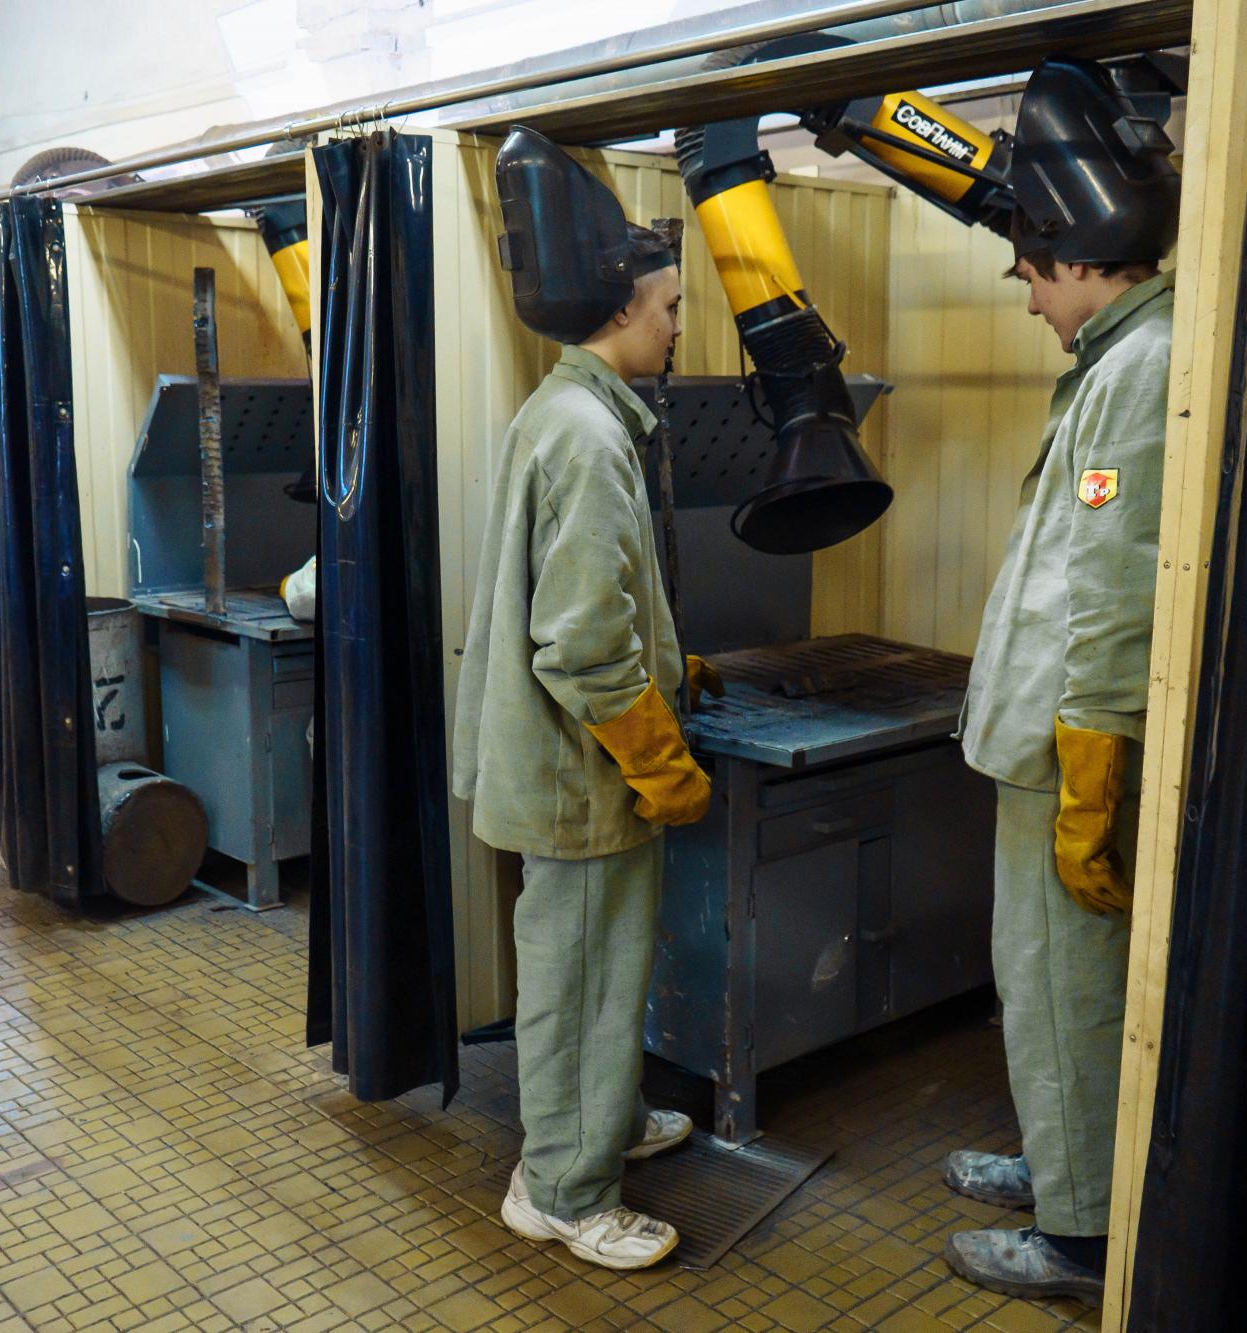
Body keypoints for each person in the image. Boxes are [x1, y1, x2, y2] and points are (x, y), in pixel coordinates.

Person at [453, 127, 725, 1272]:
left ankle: (596, 1120)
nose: (674, 327)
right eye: (668, 308)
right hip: (580, 779)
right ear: (622, 309)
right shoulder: (588, 437)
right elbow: (578, 644)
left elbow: (587, 602)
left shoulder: (565, 413)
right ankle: (564, 1190)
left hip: (567, 769)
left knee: (594, 974)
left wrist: (672, 670)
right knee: (579, 982)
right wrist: (660, 760)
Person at [941, 58, 1182, 1307]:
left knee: (1061, 990)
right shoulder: (1115, 359)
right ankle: (1060, 1162)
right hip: (1043, 746)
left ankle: (1077, 1236)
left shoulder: (1138, 371)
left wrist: (1090, 772)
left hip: (1064, 756)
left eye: (1031, 275)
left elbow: (1114, 587)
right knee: (1044, 987)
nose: (1030, 299)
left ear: (1080, 259)